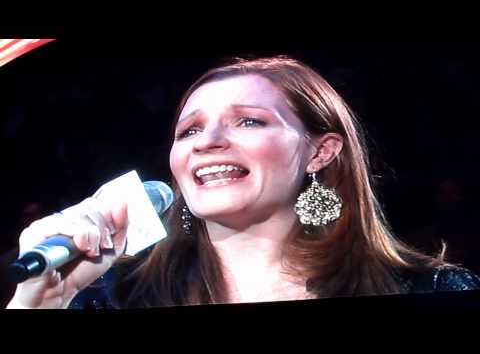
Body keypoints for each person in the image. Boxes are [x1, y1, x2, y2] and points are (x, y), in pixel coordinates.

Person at [6, 56, 480, 309]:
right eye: (189, 130)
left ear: (320, 151)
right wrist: (42, 302)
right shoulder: (110, 301)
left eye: (248, 122)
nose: (206, 142)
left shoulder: (434, 290)